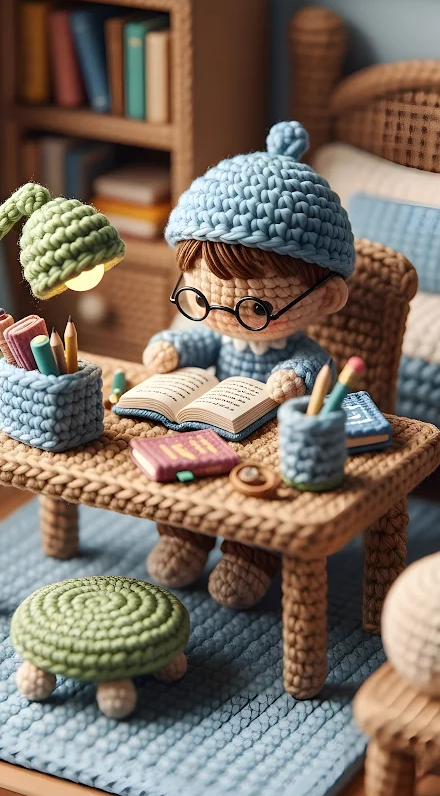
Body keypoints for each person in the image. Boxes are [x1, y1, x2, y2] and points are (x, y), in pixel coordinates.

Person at [143, 121, 355, 608]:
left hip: (271, 451)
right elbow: (203, 342)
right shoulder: (217, 329)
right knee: (185, 480)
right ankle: (185, 535)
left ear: (327, 298)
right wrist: (173, 350)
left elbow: (314, 367)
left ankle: (250, 555)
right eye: (200, 297)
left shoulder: (295, 347)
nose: (221, 315)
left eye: (254, 308)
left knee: (261, 503)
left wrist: (293, 379)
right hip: (215, 427)